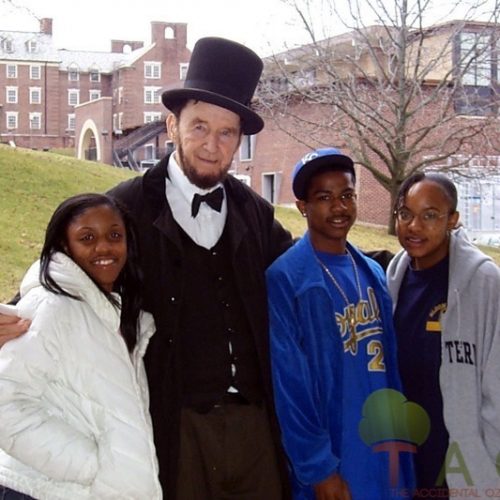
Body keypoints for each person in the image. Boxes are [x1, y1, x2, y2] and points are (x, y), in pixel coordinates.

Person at [0, 37, 293, 499]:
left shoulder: (254, 212)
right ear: (172, 125)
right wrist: (9, 313)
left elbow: (305, 270)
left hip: (255, 429)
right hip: (170, 427)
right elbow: (60, 275)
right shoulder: (123, 208)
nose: (212, 147)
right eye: (199, 127)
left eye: (226, 133)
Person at [266, 148, 414, 499]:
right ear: (303, 206)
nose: (339, 207)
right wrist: (319, 469)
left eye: (347, 195)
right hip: (336, 455)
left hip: (383, 451)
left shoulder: (373, 272)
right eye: (324, 197)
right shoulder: (287, 279)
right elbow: (290, 387)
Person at [0, 193, 161, 499]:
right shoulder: (51, 307)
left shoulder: (117, 315)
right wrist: (91, 466)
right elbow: (5, 404)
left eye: (115, 235)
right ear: (64, 246)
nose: (103, 247)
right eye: (87, 237)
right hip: (45, 490)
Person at [386, 172, 500, 496]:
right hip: (406, 466)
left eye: (430, 215)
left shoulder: (484, 282)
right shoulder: (394, 279)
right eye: (405, 214)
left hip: (464, 471)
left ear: (453, 219)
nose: (414, 226)